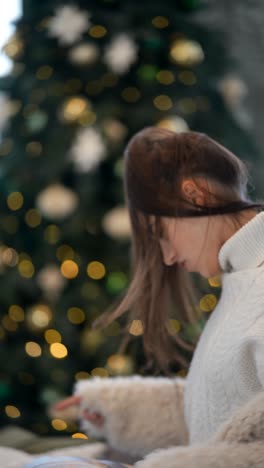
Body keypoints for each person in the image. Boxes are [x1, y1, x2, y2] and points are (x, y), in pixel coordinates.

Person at [54, 127, 264, 467]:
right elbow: (223, 415)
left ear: (195, 195)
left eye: (160, 234)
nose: (167, 257)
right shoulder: (241, 283)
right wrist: (118, 409)